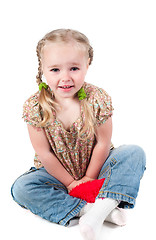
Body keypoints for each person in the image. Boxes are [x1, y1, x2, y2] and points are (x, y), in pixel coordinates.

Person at [11, 29, 146, 240]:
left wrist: (90, 178)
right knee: (21, 188)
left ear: (87, 64)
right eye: (55, 69)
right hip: (57, 175)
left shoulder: (96, 98)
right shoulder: (36, 106)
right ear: (43, 69)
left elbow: (103, 142)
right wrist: (72, 184)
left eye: (74, 68)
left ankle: (102, 205)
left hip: (98, 168)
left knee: (134, 153)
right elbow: (44, 154)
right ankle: (93, 211)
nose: (65, 77)